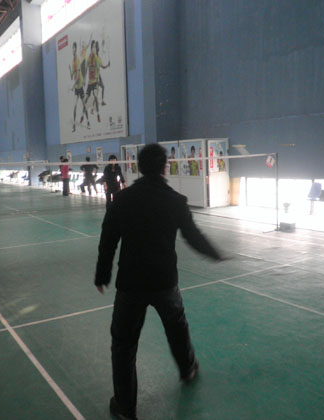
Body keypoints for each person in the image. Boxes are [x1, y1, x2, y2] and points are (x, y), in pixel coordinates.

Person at [94, 143, 224, 420]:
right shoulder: (176, 201)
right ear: (165, 167)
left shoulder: (123, 199)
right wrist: (215, 253)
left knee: (123, 344)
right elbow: (193, 236)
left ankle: (125, 407)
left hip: (130, 284)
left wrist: (102, 275)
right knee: (177, 328)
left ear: (138, 167)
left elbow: (108, 241)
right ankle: (188, 369)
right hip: (165, 282)